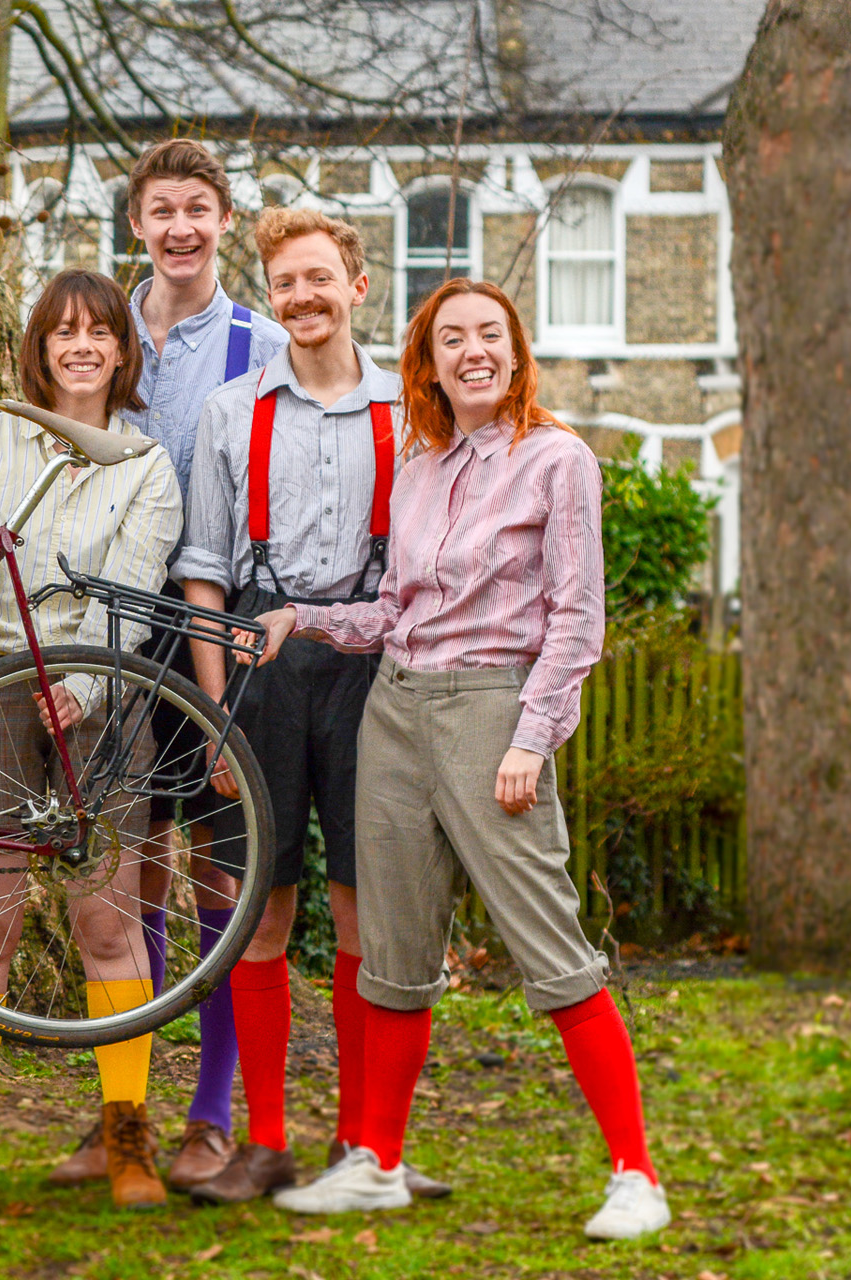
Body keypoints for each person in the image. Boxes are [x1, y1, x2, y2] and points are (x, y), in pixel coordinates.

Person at [247, 279, 667, 1241]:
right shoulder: (421, 461)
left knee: (551, 948)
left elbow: (577, 620)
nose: (472, 351)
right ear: (428, 362)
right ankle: (377, 1165)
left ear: (515, 353)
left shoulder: (557, 460)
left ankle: (636, 1175)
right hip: (393, 712)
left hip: (490, 715)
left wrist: (531, 738)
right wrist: (301, 617)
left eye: (490, 335)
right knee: (391, 956)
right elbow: (397, 610)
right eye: (451, 339)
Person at [174, 208, 447, 1205]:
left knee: (368, 906)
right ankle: (269, 1138)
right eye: (285, 282)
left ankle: (367, 1142)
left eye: (320, 277)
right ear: (271, 293)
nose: (303, 297)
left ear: (358, 286)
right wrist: (215, 712)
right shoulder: (229, 411)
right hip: (256, 667)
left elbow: (430, 573)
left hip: (374, 669)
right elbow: (202, 573)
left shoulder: (409, 412)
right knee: (263, 909)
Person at [0, 269, 182, 1215]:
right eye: (62, 332)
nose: (79, 347)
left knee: (106, 926)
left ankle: (127, 1140)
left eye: (97, 332)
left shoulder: (146, 463)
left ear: (120, 350)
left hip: (103, 706)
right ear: (40, 346)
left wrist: (80, 687)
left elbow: (139, 595)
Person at [49, 137, 291, 1194]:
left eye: (199, 208)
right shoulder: (98, 332)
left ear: (224, 221)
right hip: (118, 620)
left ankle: (211, 1112)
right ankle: (127, 1113)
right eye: (162, 210)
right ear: (136, 222)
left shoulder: (264, 342)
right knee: (127, 864)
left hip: (227, 623)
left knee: (227, 874)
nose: (180, 227)